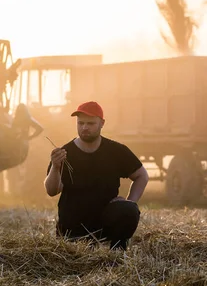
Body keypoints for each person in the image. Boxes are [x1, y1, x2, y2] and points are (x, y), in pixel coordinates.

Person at [44, 101, 149, 250]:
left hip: (105, 223)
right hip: (73, 226)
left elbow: (142, 176)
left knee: (129, 210)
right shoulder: (65, 153)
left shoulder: (116, 151)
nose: (85, 127)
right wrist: (55, 167)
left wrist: (130, 202)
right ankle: (77, 242)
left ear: (102, 123)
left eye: (90, 123)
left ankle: (117, 252)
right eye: (80, 123)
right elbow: (51, 190)